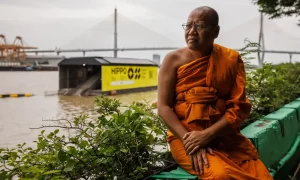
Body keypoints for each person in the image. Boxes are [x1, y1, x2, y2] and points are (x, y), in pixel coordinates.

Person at [157, 6, 273, 180]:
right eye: (188, 25)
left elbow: (238, 108)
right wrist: (191, 142)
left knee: (262, 175)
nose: (191, 32)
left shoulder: (230, 59)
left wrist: (207, 135)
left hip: (224, 136)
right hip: (185, 137)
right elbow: (163, 107)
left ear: (215, 31)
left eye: (200, 26)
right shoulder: (172, 60)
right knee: (220, 175)